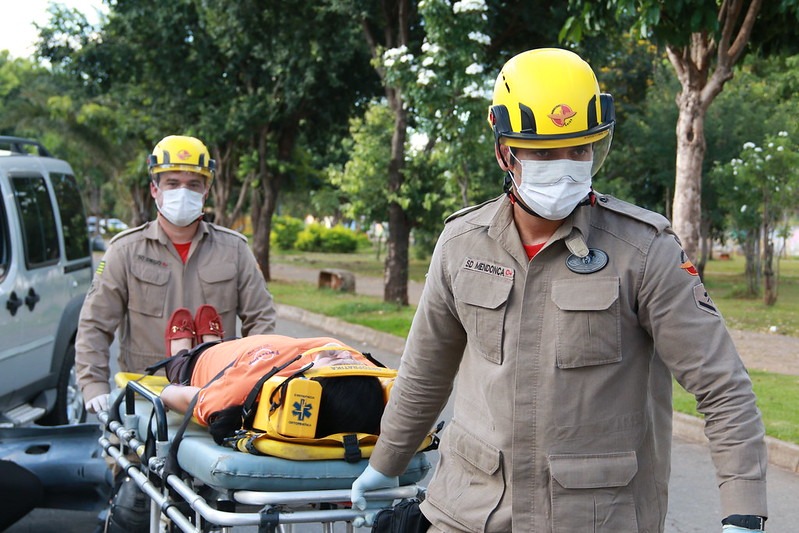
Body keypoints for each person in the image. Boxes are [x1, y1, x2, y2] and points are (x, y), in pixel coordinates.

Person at [351, 48, 767, 533]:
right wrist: (385, 464)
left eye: (580, 149)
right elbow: (425, 373)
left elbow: (723, 388)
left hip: (595, 519)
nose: (566, 167)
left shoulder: (644, 251)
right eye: (545, 153)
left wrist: (743, 511)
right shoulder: (461, 244)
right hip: (467, 513)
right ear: (504, 151)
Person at [76, 134, 277, 415]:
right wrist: (93, 384)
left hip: (215, 396)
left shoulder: (234, 249)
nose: (183, 192)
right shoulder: (125, 250)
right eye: (172, 183)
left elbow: (262, 320)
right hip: (144, 396)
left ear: (206, 191)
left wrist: (250, 377)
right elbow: (95, 324)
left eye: (193, 184)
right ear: (155, 189)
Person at [158, 306, 385, 442]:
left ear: (309, 391)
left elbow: (184, 397)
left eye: (336, 361)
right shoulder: (355, 365)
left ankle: (186, 352)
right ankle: (212, 341)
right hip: (250, 350)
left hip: (204, 364)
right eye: (348, 361)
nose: (344, 356)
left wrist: (167, 392)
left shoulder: (241, 392)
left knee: (186, 361)